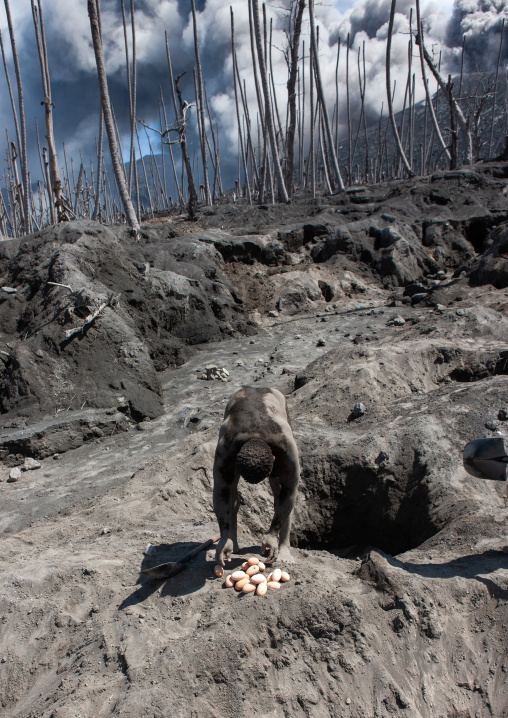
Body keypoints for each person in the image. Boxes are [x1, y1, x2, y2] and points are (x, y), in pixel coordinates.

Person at [213, 386, 299, 566]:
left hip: (273, 399)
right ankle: (231, 540)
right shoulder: (227, 442)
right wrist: (224, 534)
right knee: (230, 486)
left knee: (279, 488)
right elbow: (221, 489)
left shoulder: (284, 442)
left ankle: (284, 544)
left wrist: (273, 532)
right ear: (236, 458)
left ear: (275, 459)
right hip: (237, 399)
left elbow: (290, 491)